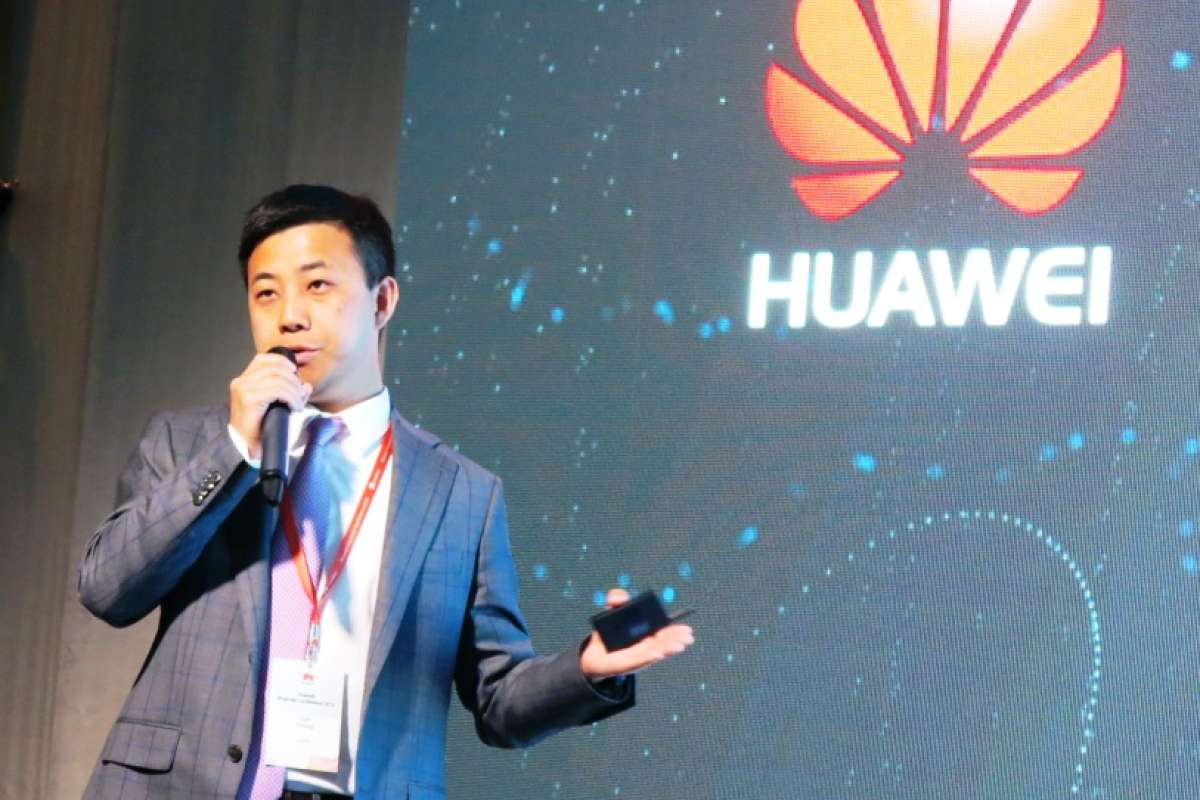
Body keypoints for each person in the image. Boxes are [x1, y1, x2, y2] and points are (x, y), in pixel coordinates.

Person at [78, 184, 694, 800]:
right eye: (266, 293)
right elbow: (109, 591)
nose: (289, 315)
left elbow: (499, 698)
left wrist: (587, 668)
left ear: (382, 301)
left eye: (317, 285)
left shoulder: (461, 494)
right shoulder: (188, 444)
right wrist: (236, 446)